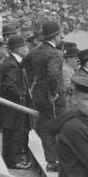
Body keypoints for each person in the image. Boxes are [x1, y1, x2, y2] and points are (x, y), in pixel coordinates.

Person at [22, 18, 66, 163]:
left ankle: (51, 160)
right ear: (55, 36)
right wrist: (53, 92)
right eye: (60, 34)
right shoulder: (55, 53)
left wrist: (31, 82)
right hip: (53, 97)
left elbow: (23, 65)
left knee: (45, 127)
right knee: (58, 127)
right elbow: (53, 74)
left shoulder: (35, 51)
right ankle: (57, 160)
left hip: (38, 94)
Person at [0, 34, 33, 169]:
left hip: (9, 104)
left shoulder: (9, 60)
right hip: (13, 105)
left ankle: (9, 160)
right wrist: (21, 97)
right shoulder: (12, 64)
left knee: (10, 133)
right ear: (18, 49)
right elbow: (10, 85)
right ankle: (14, 161)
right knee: (15, 133)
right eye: (24, 46)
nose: (27, 48)